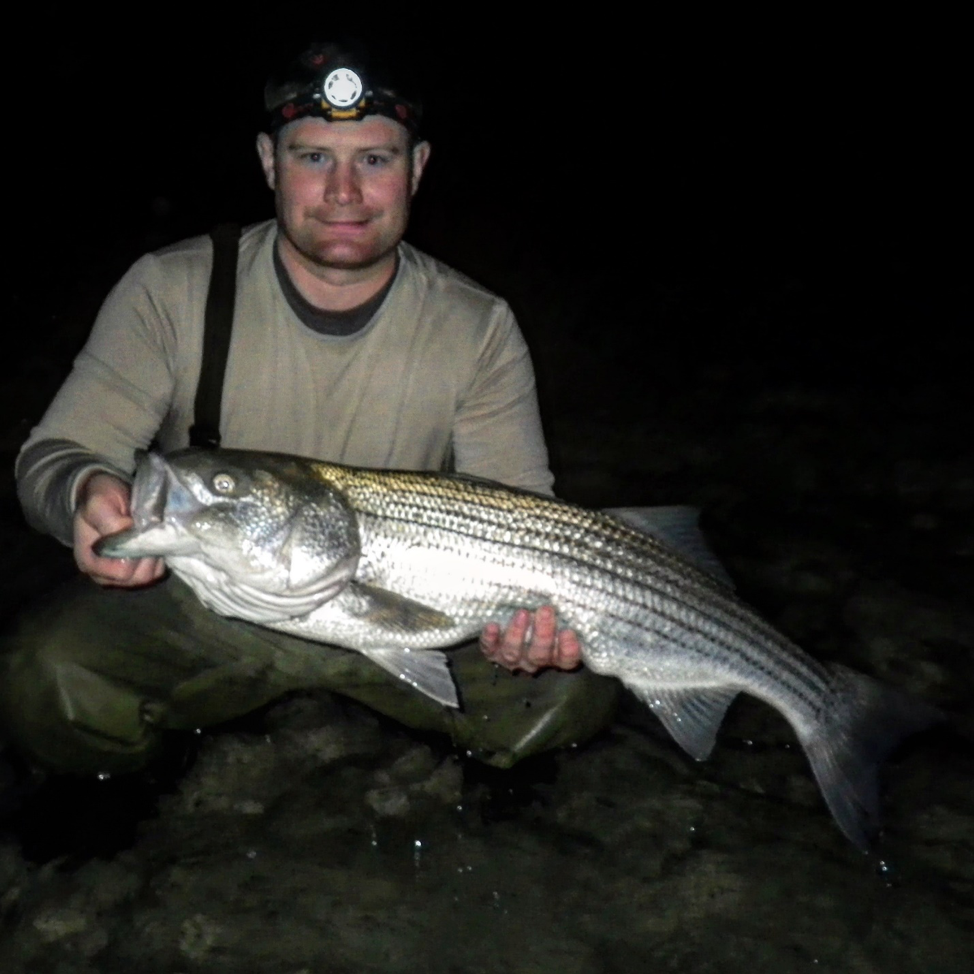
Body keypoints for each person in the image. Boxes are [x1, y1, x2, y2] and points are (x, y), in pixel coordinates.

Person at [0, 43, 618, 777]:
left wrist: (527, 629)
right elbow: (56, 452)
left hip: (408, 609)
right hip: (213, 601)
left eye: (376, 160)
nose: (345, 192)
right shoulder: (170, 288)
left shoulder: (476, 324)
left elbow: (526, 518)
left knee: (566, 700)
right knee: (47, 676)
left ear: (417, 168)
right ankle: (146, 830)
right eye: (315, 158)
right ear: (269, 162)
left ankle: (438, 805)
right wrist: (80, 492)